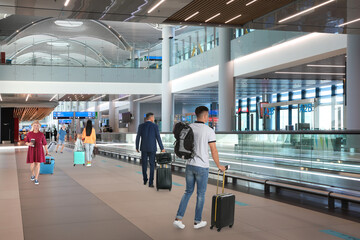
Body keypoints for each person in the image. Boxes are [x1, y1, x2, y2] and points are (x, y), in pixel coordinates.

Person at [173, 106, 226, 230]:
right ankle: (197, 221)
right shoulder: (208, 130)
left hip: (190, 165)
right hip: (202, 167)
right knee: (201, 194)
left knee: (188, 192)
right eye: (208, 115)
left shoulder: (189, 127)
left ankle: (178, 218)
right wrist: (219, 166)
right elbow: (213, 150)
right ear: (205, 116)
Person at [136, 112, 165, 188]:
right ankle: (151, 183)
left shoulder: (141, 126)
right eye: (153, 117)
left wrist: (137, 147)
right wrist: (162, 148)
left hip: (144, 148)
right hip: (152, 148)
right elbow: (158, 137)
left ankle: (145, 179)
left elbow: (138, 137)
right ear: (151, 118)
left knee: (144, 165)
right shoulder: (155, 126)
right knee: (152, 165)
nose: (154, 119)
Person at [25, 120, 49, 185]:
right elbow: (26, 142)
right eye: (35, 125)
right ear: (32, 126)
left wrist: (46, 151)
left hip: (39, 150)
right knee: (32, 164)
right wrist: (28, 144)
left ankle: (36, 178)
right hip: (32, 150)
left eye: (37, 125)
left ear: (39, 126)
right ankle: (32, 174)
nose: (36, 126)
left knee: (38, 164)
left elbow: (45, 143)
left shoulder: (41, 134)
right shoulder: (29, 134)